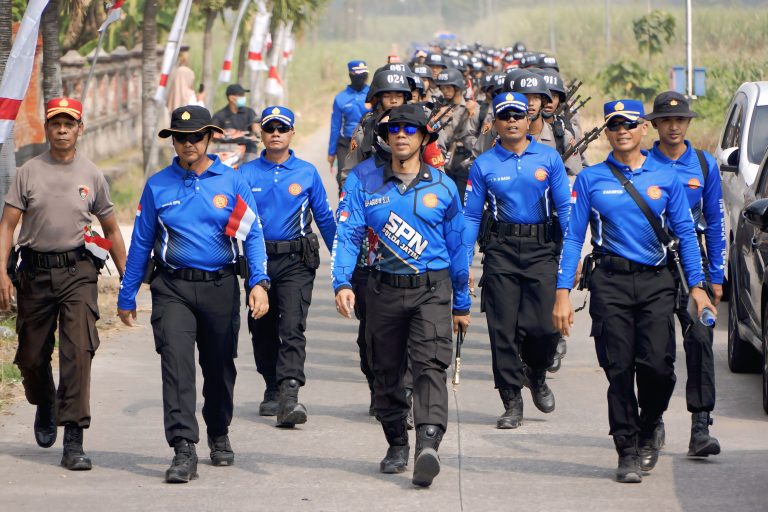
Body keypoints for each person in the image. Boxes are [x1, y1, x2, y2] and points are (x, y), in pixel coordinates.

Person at [553, 99, 716, 484]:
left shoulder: (666, 178)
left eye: (629, 124)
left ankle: (651, 423)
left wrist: (698, 287)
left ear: (644, 128)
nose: (622, 130)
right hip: (610, 282)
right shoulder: (592, 180)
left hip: (658, 283)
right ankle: (627, 449)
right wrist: (562, 291)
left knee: (658, 367)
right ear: (607, 132)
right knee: (619, 369)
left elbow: (687, 238)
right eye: (615, 125)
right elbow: (575, 237)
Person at [117, 105, 270, 483]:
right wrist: (127, 294)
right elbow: (140, 243)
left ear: (209, 138)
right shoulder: (157, 185)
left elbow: (252, 237)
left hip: (220, 286)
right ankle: (183, 448)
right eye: (181, 138)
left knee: (218, 368)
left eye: (195, 137)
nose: (188, 143)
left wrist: (259, 283)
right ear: (174, 141)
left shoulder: (231, 182)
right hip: (173, 289)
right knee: (177, 366)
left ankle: (219, 432)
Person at [332, 104, 470, 488]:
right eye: (395, 130)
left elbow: (459, 248)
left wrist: (461, 302)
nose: (402, 136)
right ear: (386, 137)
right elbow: (348, 235)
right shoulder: (364, 181)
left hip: (432, 289)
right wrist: (342, 282)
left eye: (411, 130)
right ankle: (397, 443)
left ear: (424, 137)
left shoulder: (443, 187)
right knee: (386, 372)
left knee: (429, 366)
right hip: (382, 291)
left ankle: (428, 444)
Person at [0, 98, 127, 471]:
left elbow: (112, 229)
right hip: (35, 273)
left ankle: (74, 438)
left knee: (78, 353)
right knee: (32, 355)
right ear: (47, 128)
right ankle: (44, 400)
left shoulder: (92, 175)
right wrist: (1, 274)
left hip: (78, 273)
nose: (61, 130)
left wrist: (127, 279)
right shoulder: (28, 172)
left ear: (79, 128)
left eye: (68, 124)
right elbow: (7, 226)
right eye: (55, 123)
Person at [464, 92, 570, 430]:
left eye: (518, 115)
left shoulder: (549, 159)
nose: (512, 121)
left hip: (542, 250)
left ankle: (536, 373)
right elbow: (469, 216)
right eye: (505, 116)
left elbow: (566, 210)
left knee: (543, 328)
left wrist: (571, 255)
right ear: (494, 123)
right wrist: (463, 263)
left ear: (529, 121)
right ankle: (511, 400)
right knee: (503, 329)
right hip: (501, 251)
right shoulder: (483, 164)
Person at [240, 106, 337, 427]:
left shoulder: (306, 173)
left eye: (283, 128)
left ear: (292, 132)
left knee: (292, 325)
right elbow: (233, 223)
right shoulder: (245, 174)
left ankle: (290, 392)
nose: (276, 133)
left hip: (297, 261)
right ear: (262, 134)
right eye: (270, 129)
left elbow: (324, 217)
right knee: (262, 328)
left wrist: (343, 259)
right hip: (258, 263)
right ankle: (271, 385)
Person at [645, 91, 725, 458]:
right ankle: (653, 419)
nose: (674, 126)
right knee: (654, 352)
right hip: (655, 268)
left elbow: (716, 223)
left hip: (694, 269)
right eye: (666, 120)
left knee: (701, 343)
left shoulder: (704, 166)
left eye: (680, 120)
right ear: (656, 125)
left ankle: (700, 426)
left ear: (688, 123)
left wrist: (716, 275)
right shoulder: (643, 164)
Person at [436, 67, 479, 201]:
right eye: (442, 87)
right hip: (441, 157)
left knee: (461, 199)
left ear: (458, 87)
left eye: (449, 87)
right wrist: (438, 116)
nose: (445, 91)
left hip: (462, 157)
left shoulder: (472, 107)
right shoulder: (437, 106)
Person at [328, 61, 370, 196]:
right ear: (350, 75)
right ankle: (343, 208)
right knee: (343, 178)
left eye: (363, 74)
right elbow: (335, 126)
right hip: (346, 143)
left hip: (367, 142)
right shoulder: (341, 98)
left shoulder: (372, 95)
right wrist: (331, 152)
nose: (360, 77)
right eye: (357, 74)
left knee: (368, 178)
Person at [212, 83, 260, 162]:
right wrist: (226, 135)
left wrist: (256, 133)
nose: (243, 97)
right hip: (226, 150)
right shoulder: (220, 115)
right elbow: (212, 135)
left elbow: (256, 129)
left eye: (243, 95)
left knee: (250, 162)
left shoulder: (249, 112)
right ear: (231, 98)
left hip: (248, 150)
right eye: (241, 95)